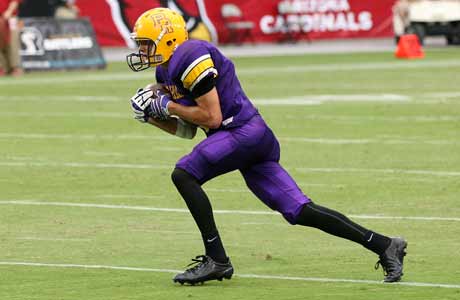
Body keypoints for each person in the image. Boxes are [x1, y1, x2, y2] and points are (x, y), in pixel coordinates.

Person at [127, 8, 407, 285]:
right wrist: (153, 117)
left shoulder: (190, 54)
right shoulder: (165, 73)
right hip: (244, 138)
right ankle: (384, 245)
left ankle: (217, 259)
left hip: (242, 132)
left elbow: (212, 117)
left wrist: (167, 105)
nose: (142, 51)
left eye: (145, 44)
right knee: (299, 210)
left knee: (184, 174)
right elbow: (188, 130)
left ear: (168, 39)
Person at [0, 0, 22, 76]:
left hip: (11, 18)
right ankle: (3, 68)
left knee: (13, 42)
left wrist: (9, 11)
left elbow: (15, 1)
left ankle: (16, 67)